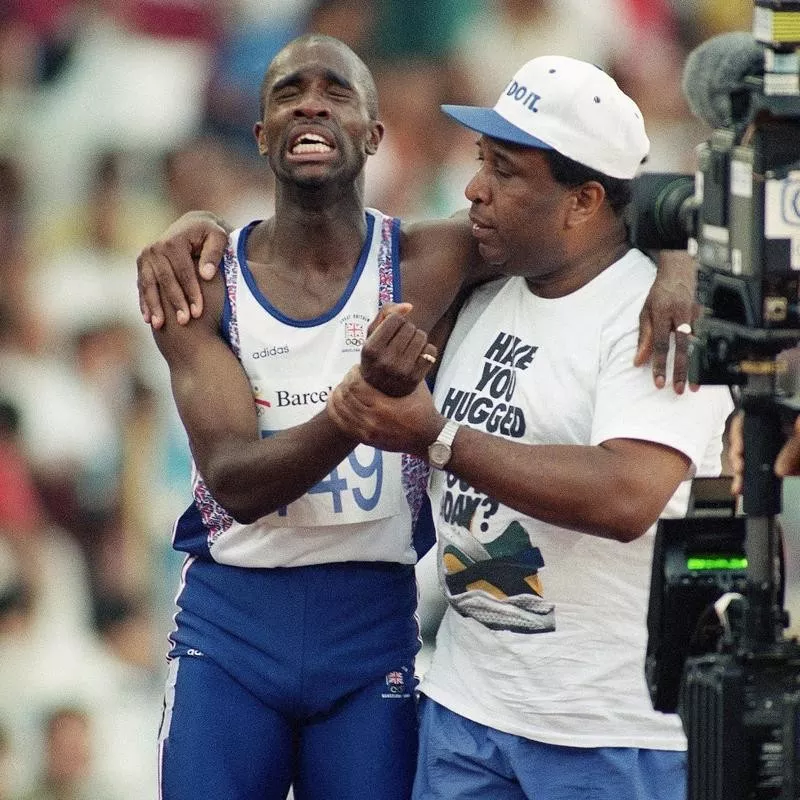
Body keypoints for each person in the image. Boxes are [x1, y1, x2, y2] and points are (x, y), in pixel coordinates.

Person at [137, 35, 703, 800]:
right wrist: (361, 405)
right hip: (257, 633)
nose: (311, 103)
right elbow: (235, 482)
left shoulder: (442, 262)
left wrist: (682, 259)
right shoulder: (208, 277)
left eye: (336, 91)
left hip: (394, 638)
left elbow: (614, 204)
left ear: (376, 135)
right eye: (287, 93)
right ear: (259, 133)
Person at [321, 56, 735, 799]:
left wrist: (437, 436)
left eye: (506, 171)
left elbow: (627, 494)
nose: (476, 187)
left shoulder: (660, 315)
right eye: (482, 160)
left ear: (582, 202)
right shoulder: (486, 281)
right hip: (467, 710)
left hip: (609, 734)